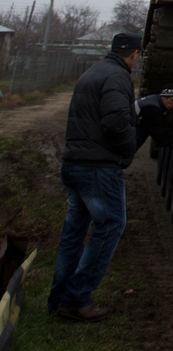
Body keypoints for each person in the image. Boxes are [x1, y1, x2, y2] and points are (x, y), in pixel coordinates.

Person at [47, 31, 142, 323]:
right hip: (97, 167)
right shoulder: (117, 77)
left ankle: (59, 298)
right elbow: (115, 121)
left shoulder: (94, 71)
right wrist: (129, 147)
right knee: (112, 223)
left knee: (74, 232)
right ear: (135, 54)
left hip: (75, 162)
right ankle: (77, 298)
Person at [134, 85, 173, 153]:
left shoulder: (154, 100)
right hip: (126, 139)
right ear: (164, 97)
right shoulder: (151, 108)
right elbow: (160, 132)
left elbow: (163, 127)